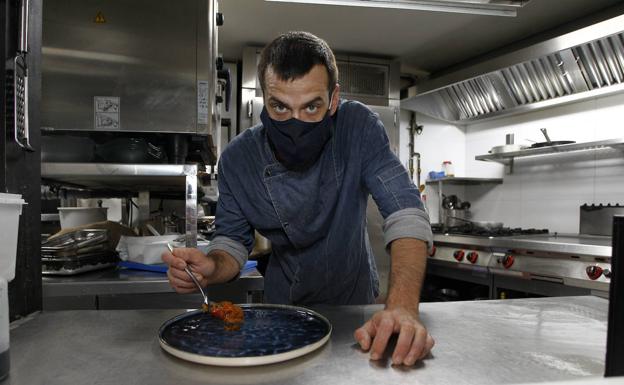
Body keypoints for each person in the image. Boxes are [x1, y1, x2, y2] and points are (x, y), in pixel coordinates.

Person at [162, 31, 434, 366]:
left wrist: (402, 309)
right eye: (279, 107)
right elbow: (232, 242)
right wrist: (211, 268)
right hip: (283, 308)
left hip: (355, 303)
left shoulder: (357, 127)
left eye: (311, 107)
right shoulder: (238, 159)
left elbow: (405, 211)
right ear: (264, 98)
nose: (295, 123)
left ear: (333, 100)